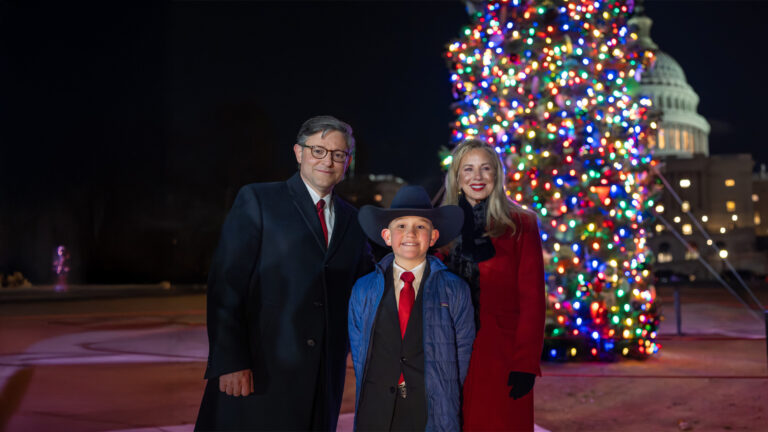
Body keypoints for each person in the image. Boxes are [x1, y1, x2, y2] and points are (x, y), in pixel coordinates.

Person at [195, 115, 374, 431]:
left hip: (322, 381)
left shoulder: (354, 221)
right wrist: (231, 361)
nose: (328, 161)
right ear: (298, 152)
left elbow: (368, 289)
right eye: (318, 150)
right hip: (258, 374)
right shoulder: (259, 200)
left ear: (348, 161)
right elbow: (227, 284)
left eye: (338, 154)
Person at [349, 185, 475, 432]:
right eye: (401, 226)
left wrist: (441, 395)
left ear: (433, 236)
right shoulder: (363, 290)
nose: (411, 233)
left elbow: (462, 357)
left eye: (421, 226)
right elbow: (359, 351)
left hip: (430, 412)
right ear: (387, 236)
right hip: (376, 412)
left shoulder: (455, 289)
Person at [442, 139, 545, 431]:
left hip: (501, 356)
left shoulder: (521, 223)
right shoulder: (441, 227)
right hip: (449, 356)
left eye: (485, 169)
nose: (477, 177)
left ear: (497, 176)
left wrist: (525, 364)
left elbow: (533, 300)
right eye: (469, 169)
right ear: (457, 177)